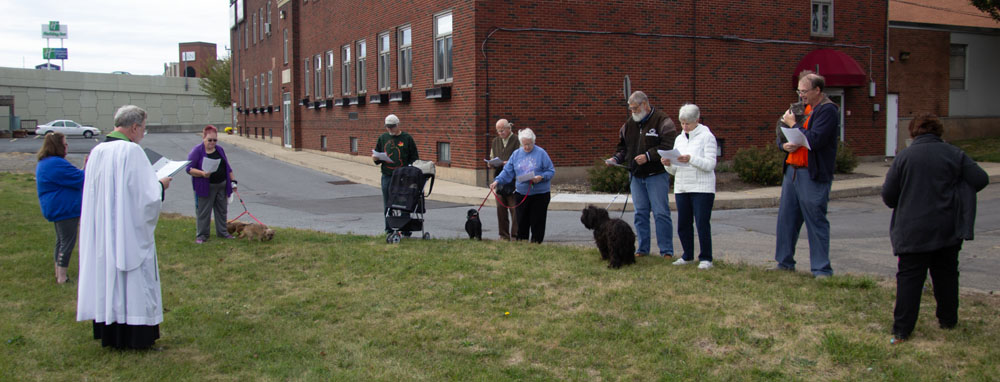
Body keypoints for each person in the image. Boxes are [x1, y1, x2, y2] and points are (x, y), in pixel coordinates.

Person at [881, 114, 988, 344]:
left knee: (909, 278)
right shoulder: (954, 154)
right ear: (939, 131)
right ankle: (948, 320)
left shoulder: (904, 157)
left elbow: (889, 196)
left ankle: (902, 330)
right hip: (946, 227)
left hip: (912, 229)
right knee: (946, 275)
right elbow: (980, 179)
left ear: (913, 132)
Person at [77, 105, 172, 350]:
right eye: (143, 129)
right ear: (133, 128)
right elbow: (147, 197)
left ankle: (112, 333)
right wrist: (161, 184)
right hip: (127, 231)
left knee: (109, 281)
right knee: (134, 283)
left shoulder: (98, 151)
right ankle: (137, 337)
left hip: (104, 231)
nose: (143, 134)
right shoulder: (132, 151)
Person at [773, 73, 839, 278]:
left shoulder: (828, 110)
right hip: (792, 171)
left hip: (812, 174)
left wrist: (794, 125)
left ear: (817, 90)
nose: (801, 95)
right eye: (799, 91)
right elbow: (780, 133)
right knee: (787, 220)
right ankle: (784, 263)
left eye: (804, 91)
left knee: (815, 219)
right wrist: (783, 145)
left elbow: (816, 140)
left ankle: (821, 269)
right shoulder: (798, 109)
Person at [607, 91, 677, 258]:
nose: (633, 112)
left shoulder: (663, 121)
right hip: (636, 176)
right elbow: (623, 148)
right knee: (640, 213)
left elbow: (668, 146)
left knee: (660, 213)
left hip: (656, 174)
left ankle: (666, 250)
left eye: (635, 108)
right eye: (631, 109)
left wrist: (648, 157)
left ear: (645, 104)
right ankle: (642, 248)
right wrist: (616, 158)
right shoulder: (629, 124)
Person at [661, 104, 717, 270]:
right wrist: (668, 163)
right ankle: (687, 255)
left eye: (688, 123)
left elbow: (710, 164)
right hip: (682, 187)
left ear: (696, 121)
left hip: (702, 189)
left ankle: (706, 258)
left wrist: (691, 159)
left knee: (701, 223)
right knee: (684, 224)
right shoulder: (679, 139)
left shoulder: (707, 137)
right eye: (682, 123)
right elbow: (674, 169)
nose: (685, 127)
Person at [35, 132, 85, 284]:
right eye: (64, 144)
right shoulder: (56, 163)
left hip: (56, 208)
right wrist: (88, 166)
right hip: (65, 209)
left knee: (61, 241)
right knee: (67, 242)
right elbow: (81, 179)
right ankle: (62, 277)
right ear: (57, 146)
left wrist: (83, 167)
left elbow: (74, 177)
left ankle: (59, 273)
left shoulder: (46, 162)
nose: (66, 146)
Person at [490, 128, 555, 243]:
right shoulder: (516, 154)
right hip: (522, 193)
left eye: (529, 144)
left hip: (540, 194)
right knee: (521, 221)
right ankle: (522, 243)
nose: (527, 147)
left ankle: (536, 243)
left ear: (534, 142)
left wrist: (541, 177)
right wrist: (497, 181)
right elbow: (507, 171)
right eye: (524, 144)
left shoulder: (541, 153)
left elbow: (550, 171)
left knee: (537, 221)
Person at [186, 125, 236, 244]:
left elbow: (227, 167)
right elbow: (189, 169)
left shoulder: (219, 150)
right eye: (210, 140)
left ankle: (222, 232)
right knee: (204, 211)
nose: (212, 143)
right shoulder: (197, 151)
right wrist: (202, 173)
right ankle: (202, 235)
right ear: (204, 137)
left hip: (221, 185)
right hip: (205, 186)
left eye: (215, 140)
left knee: (222, 210)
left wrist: (233, 181)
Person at [373, 114, 419, 233]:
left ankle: (405, 229)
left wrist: (409, 169)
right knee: (388, 202)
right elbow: (377, 154)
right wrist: (376, 158)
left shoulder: (407, 138)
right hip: (387, 175)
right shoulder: (383, 138)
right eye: (387, 127)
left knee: (404, 202)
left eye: (392, 127)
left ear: (398, 125)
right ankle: (389, 229)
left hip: (403, 176)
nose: (390, 129)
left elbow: (414, 157)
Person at [490, 119, 520, 240]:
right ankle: (503, 235)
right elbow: (492, 156)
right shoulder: (495, 141)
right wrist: (491, 163)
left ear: (509, 128)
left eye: (502, 130)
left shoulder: (517, 140)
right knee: (500, 209)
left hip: (513, 181)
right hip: (499, 179)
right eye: (498, 131)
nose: (500, 133)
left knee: (514, 209)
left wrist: (509, 163)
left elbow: (521, 159)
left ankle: (516, 235)